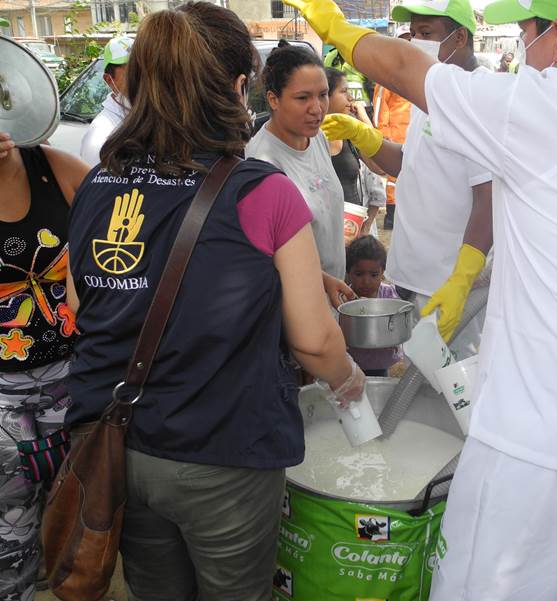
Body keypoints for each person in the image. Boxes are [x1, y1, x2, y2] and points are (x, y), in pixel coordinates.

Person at [284, 0, 557, 598]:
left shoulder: (547, 107)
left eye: (529, 31)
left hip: (535, 443)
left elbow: (407, 69)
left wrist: (337, 26)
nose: (526, 47)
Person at [64, 4, 363, 600]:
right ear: (238, 87)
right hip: (222, 451)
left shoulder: (99, 180)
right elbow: (313, 338)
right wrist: (348, 380)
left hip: (116, 443)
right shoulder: (261, 190)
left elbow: (80, 306)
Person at [320, 0, 494, 357]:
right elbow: (409, 164)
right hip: (418, 278)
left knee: (457, 386)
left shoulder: (478, 100)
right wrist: (366, 137)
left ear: (459, 37)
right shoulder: (428, 98)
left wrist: (462, 280)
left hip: (452, 284)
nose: (415, 43)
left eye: (426, 33)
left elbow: (489, 199)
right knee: (423, 383)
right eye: (413, 34)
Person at [0, 131, 88, 600]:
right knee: (9, 543)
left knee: (81, 535)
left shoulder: (57, 169)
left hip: (76, 385)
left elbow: (131, 235)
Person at [247, 42, 353, 307]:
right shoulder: (261, 162)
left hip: (333, 296)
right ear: (273, 99)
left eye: (323, 94)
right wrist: (321, 280)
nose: (317, 108)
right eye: (303, 98)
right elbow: (265, 257)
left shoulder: (315, 138)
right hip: (298, 307)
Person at [325, 67, 385, 237]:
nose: (350, 98)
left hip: (351, 230)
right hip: (323, 232)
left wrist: (363, 120)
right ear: (325, 96)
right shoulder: (309, 138)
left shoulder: (349, 133)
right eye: (343, 92)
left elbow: (380, 167)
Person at [372, 24, 413, 230]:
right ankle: (392, 213)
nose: (408, 43)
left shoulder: (420, 70)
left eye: (410, 39)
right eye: (404, 39)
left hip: (414, 134)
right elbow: (381, 106)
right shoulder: (388, 74)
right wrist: (384, 136)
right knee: (394, 178)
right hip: (395, 134)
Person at [345, 235, 402, 376]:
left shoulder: (389, 296)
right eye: (359, 274)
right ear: (348, 272)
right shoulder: (344, 298)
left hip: (380, 363)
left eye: (374, 275)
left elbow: (398, 322)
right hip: (351, 363)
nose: (366, 281)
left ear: (383, 272)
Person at [80, 35, 133, 167]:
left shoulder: (157, 117)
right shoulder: (101, 136)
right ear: (109, 80)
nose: (140, 77)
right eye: (130, 71)